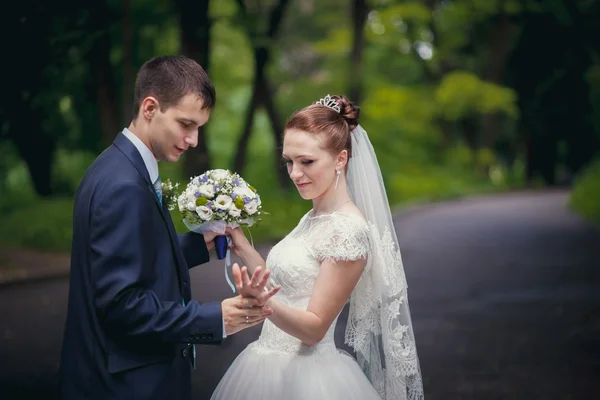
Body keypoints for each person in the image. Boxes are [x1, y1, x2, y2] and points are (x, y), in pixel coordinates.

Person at [57, 55, 278, 400]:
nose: (193, 139)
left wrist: (199, 243)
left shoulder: (114, 165)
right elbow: (122, 305)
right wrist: (215, 317)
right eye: (185, 124)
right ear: (149, 108)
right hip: (126, 385)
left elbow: (136, 255)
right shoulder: (124, 185)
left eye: (199, 128)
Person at [212, 94, 424, 400]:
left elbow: (313, 330)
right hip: (266, 365)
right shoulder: (315, 216)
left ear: (340, 159)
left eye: (307, 161)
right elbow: (280, 285)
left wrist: (263, 304)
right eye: (289, 161)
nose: (295, 173)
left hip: (309, 379)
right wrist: (243, 246)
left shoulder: (348, 231)